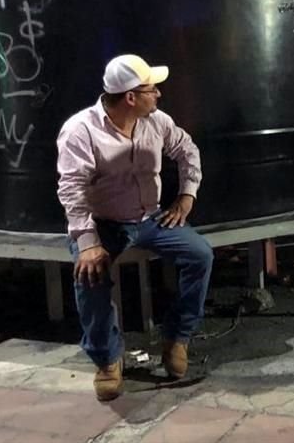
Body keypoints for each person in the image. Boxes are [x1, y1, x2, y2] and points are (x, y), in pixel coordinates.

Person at [56, 55, 213, 401]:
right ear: (130, 97)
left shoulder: (156, 121)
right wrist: (87, 241)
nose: (158, 94)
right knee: (89, 275)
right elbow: (72, 188)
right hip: (103, 223)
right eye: (151, 89)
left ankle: (177, 338)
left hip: (149, 219)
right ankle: (107, 359)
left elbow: (187, 150)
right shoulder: (80, 130)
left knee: (200, 254)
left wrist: (186, 196)